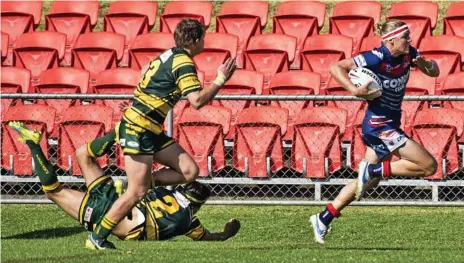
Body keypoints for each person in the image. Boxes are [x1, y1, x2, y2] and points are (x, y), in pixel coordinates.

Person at [85, 18, 237, 249]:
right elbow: (197, 101)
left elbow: (146, 70)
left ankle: (140, 183)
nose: (205, 41)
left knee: (189, 170)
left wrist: (143, 101)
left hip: (149, 127)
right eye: (203, 37)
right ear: (195, 40)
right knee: (137, 192)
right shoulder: (184, 62)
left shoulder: (168, 54)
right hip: (139, 128)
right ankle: (97, 238)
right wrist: (221, 79)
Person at [8, 121, 241, 248]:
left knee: (83, 155)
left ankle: (116, 133)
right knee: (54, 192)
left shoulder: (164, 191)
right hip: (112, 217)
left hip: (117, 199)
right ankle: (34, 146)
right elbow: (211, 237)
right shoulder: (190, 222)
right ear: (197, 204)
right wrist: (227, 233)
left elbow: (146, 182)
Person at [310, 20, 440, 244]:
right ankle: (375, 169)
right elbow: (335, 67)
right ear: (391, 40)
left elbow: (434, 72)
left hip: (389, 124)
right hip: (380, 126)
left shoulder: (409, 54)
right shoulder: (376, 57)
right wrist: (354, 90)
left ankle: (324, 217)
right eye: (405, 37)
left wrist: (425, 64)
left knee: (368, 182)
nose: (410, 40)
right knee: (429, 166)